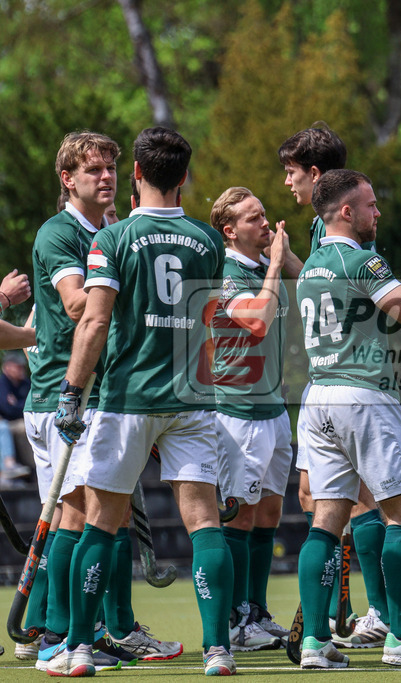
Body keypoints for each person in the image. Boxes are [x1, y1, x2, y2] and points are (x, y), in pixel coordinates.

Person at [52, 126, 235, 676]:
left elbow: (96, 319)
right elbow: (211, 320)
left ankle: (79, 648)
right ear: (184, 177)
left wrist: (71, 394)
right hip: (191, 400)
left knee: (100, 523)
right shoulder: (208, 241)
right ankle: (219, 651)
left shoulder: (112, 239)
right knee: (204, 521)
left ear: (135, 174)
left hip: (128, 397)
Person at [293, 168, 401, 668]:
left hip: (318, 394)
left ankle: (314, 644)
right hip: (364, 395)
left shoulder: (311, 266)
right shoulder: (362, 259)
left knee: (326, 522)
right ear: (346, 211)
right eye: (370, 204)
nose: (377, 212)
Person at [26, 131, 180, 670]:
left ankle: (94, 631)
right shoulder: (59, 234)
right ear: (68, 179)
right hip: (59, 395)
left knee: (100, 516)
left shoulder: (112, 230)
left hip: (108, 392)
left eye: (113, 168)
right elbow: (74, 306)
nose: (108, 177)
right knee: (75, 515)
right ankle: (56, 639)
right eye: (94, 170)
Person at [278, 125, 391, 647]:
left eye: (293, 173)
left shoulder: (342, 227)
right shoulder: (326, 231)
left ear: (316, 175)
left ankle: (378, 613)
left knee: (359, 500)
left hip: (349, 380)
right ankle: (352, 608)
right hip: (335, 382)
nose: (287, 183)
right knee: (328, 498)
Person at [208, 187, 294, 651]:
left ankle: (256, 611)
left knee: (270, 511)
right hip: (237, 414)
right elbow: (257, 320)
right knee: (238, 517)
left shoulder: (261, 266)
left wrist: (279, 255)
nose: (265, 223)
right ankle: (236, 620)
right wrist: (277, 264)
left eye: (264, 215)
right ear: (230, 231)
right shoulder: (226, 273)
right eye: (253, 218)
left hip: (273, 410)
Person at [0, 352, 32, 483]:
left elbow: (33, 405)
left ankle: (33, 470)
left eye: (23, 367)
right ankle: (9, 466)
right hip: (6, 422)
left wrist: (17, 404)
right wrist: (21, 406)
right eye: (18, 367)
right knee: (3, 428)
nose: (22, 369)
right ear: (7, 367)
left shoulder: (26, 383)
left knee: (29, 427)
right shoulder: (2, 383)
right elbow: (7, 409)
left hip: (21, 420)